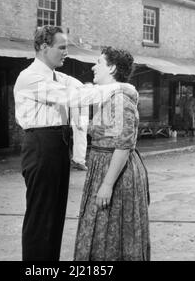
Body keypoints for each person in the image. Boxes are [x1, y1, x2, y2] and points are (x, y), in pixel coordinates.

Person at [14, 26, 128, 261]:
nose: (66, 52)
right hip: (41, 145)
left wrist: (104, 87)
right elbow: (74, 98)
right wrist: (120, 87)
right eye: (62, 47)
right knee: (41, 216)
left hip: (57, 144)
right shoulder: (30, 77)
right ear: (44, 48)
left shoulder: (58, 76)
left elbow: (84, 89)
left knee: (55, 215)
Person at [74, 46, 151, 261]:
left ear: (112, 68)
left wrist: (107, 185)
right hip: (103, 165)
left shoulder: (119, 99)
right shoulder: (110, 97)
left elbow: (123, 145)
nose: (93, 66)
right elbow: (108, 132)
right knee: (103, 229)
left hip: (116, 171)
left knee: (111, 230)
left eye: (99, 62)